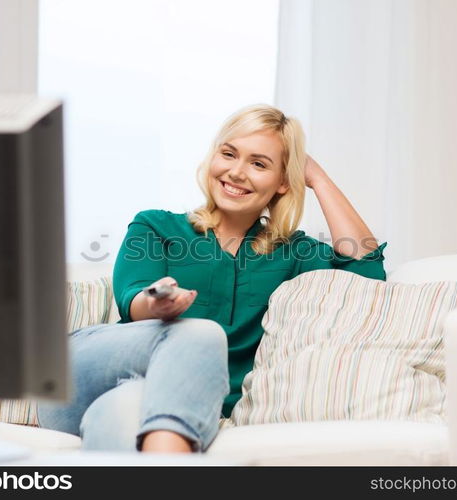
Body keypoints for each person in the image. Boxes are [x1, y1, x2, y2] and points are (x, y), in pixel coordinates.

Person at [36, 104, 388, 454]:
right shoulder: (156, 225)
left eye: (259, 163)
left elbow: (367, 271)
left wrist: (318, 179)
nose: (236, 172)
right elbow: (132, 299)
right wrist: (157, 304)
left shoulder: (292, 252)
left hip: (176, 400)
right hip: (82, 377)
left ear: (283, 182)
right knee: (200, 333)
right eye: (228, 154)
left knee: (121, 412)